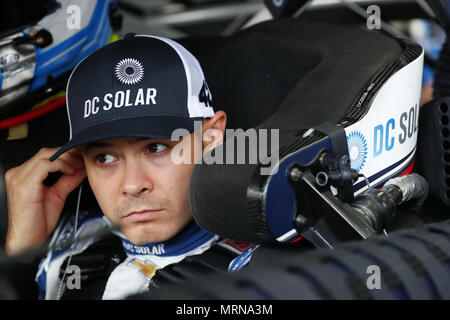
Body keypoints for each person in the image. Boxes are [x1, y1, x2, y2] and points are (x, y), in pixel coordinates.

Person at [4, 34, 256, 300]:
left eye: (156, 148)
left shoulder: (259, 271)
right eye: (105, 158)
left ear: (210, 138)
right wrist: (21, 258)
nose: (133, 185)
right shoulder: (67, 239)